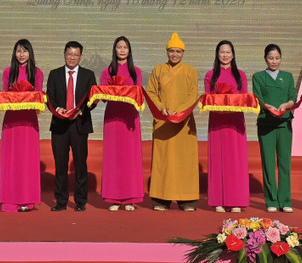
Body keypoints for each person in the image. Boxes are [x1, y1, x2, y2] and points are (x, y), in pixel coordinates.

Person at [145, 33, 199, 211]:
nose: (175, 54)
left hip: (184, 122)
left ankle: (187, 200)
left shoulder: (190, 71)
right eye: (171, 51)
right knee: (163, 161)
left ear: (183, 52)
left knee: (185, 160)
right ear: (166, 52)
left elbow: (192, 95)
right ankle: (161, 199)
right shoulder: (158, 70)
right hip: (163, 122)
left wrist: (180, 111)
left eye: (178, 51)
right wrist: (161, 107)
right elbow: (151, 92)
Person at [46, 41, 97, 211]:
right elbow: (49, 97)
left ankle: (80, 201)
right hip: (59, 125)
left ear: (81, 56)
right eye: (69, 54)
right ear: (64, 54)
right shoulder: (54, 74)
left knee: (80, 164)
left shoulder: (88, 75)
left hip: (79, 125)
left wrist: (82, 110)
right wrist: (58, 109)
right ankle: (61, 201)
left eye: (76, 54)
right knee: (60, 164)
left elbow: (93, 99)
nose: (72, 57)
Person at [204, 40, 249, 213]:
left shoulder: (240, 75)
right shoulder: (210, 75)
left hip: (235, 123)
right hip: (217, 123)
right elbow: (207, 98)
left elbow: (245, 98)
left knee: (235, 161)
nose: (225, 55)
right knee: (218, 160)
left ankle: (236, 200)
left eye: (228, 52)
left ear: (233, 54)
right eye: (222, 52)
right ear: (217, 54)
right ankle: (219, 201)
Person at [0, 39, 43, 213]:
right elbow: (4, 95)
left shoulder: (37, 73)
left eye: (25, 51)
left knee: (27, 160)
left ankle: (27, 200)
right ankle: (10, 200)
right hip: (11, 121)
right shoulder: (8, 72)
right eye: (18, 51)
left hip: (28, 121)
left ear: (30, 53)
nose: (21, 54)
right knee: (12, 159)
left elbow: (39, 97)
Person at [251, 44, 296, 213]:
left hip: (284, 123)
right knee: (268, 163)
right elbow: (257, 98)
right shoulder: (258, 77)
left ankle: (285, 200)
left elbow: (292, 97)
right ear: (265, 59)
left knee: (285, 163)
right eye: (271, 58)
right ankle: (271, 200)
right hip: (266, 124)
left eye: (277, 58)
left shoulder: (287, 77)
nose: (274, 61)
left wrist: (286, 105)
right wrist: (267, 106)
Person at [100, 36, 143, 211]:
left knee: (130, 158)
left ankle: (130, 199)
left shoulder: (136, 71)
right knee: (114, 157)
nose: (122, 50)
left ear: (129, 50)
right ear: (115, 49)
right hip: (113, 118)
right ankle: (114, 198)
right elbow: (103, 96)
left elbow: (139, 94)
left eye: (125, 47)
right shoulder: (107, 71)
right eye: (119, 47)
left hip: (130, 118)